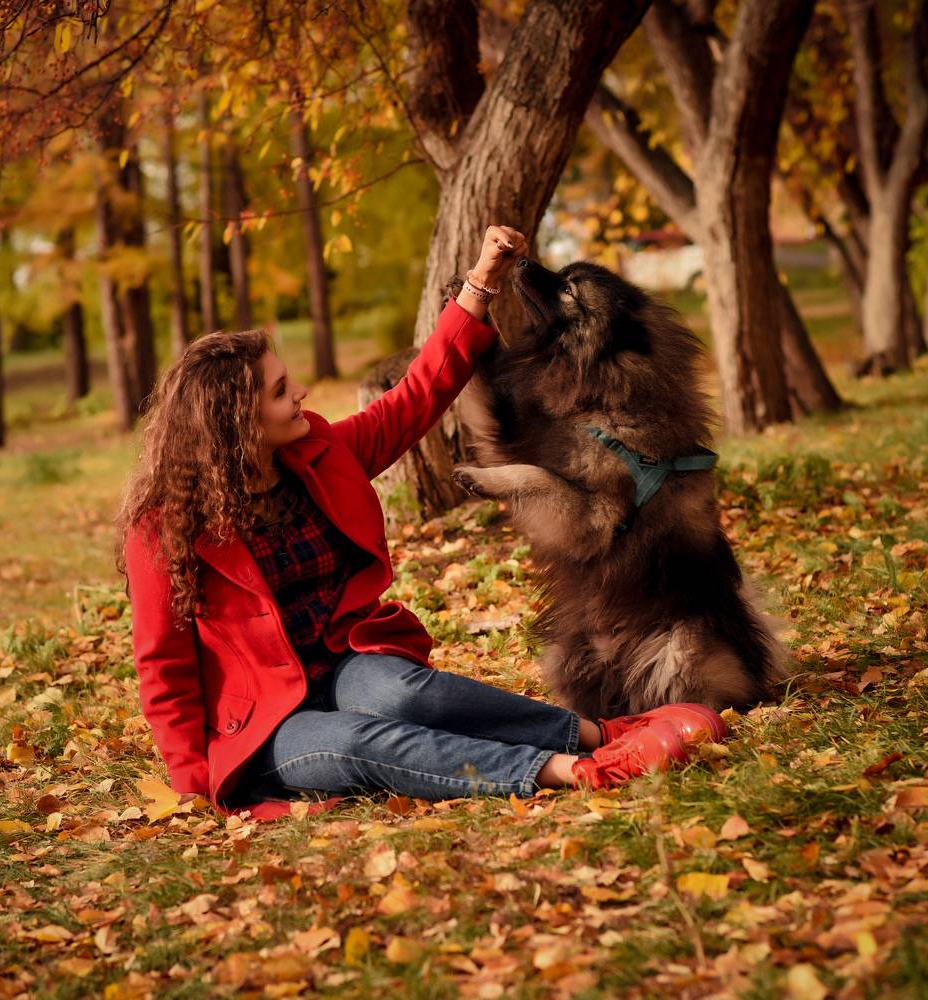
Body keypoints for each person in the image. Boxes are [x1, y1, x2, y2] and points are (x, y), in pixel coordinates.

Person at [115, 225, 727, 819]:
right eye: (279, 390)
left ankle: (602, 733)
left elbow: (413, 399)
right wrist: (192, 784)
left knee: (406, 693)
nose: (300, 390)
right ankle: (576, 770)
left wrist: (479, 286)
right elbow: (162, 666)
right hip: (263, 727)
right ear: (237, 422)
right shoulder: (164, 528)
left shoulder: (317, 456)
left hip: (342, 663)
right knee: (355, 742)